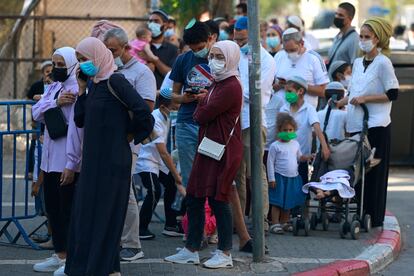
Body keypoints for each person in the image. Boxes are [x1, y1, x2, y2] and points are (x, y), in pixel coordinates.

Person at [64, 37, 153, 276]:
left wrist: (131, 134)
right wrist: (82, 90)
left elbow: (144, 112)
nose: (83, 64)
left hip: (114, 161)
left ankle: (102, 267)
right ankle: (101, 266)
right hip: (93, 160)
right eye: (80, 60)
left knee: (106, 214)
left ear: (98, 56)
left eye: (85, 59)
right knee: (87, 212)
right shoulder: (94, 84)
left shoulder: (116, 80)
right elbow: (81, 119)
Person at [165, 40, 242, 269]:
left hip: (223, 150)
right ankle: (191, 248)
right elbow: (206, 109)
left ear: (230, 59)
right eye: (212, 56)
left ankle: (225, 252)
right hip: (208, 146)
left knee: (219, 199)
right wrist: (204, 100)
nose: (213, 61)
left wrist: (201, 104)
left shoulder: (230, 85)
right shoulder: (217, 83)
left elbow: (201, 116)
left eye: (220, 57)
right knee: (196, 195)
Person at [103, 27, 157, 261]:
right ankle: (112, 238)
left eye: (112, 50)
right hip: (106, 139)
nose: (108, 54)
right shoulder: (106, 69)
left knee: (125, 191)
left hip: (126, 141)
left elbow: (146, 108)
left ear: (126, 48)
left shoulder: (141, 73)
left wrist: (128, 134)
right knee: (109, 190)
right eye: (105, 50)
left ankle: (132, 244)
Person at [343, 18, 399, 227]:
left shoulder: (383, 63)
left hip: (376, 124)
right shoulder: (358, 63)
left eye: (368, 37)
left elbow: (392, 93)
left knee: (373, 171)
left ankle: (373, 216)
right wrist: (343, 100)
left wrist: (366, 99)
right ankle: (359, 210)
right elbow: (354, 91)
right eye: (362, 36)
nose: (363, 41)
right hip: (357, 124)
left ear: (378, 39)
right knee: (357, 171)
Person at [32, 47, 82, 275]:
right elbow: (36, 112)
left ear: (72, 63)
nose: (57, 69)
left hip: (67, 161)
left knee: (67, 210)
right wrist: (55, 102)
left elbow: (76, 129)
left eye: (62, 64)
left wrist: (72, 163)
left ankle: (71, 258)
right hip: (49, 160)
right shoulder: (54, 88)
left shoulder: (78, 90)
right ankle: (59, 254)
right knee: (53, 208)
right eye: (55, 64)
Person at [233, 16, 276, 225]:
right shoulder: (236, 55)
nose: (239, 44)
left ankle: (260, 221)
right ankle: (238, 220)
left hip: (253, 122)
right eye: (236, 39)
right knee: (236, 174)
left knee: (255, 174)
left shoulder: (266, 59)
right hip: (234, 121)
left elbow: (255, 93)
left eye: (242, 40)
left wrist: (232, 88)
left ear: (253, 35)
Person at [170, 21, 214, 190]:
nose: (197, 52)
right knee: (190, 177)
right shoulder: (182, 60)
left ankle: (210, 215)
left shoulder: (220, 59)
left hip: (211, 125)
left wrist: (208, 97)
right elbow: (174, 96)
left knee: (211, 175)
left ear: (210, 39)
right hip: (186, 123)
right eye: (193, 49)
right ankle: (194, 214)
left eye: (200, 47)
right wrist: (184, 99)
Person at [136, 89, 184, 239]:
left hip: (157, 161)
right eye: (175, 107)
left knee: (169, 184)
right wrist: (178, 177)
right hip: (146, 160)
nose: (177, 109)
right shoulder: (155, 119)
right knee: (155, 190)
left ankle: (170, 224)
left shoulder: (166, 117)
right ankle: (141, 228)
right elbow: (163, 152)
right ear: (163, 107)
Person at [279, 76, 330, 185]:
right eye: (286, 91)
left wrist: (324, 147)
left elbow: (317, 128)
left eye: (289, 91)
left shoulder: (309, 109)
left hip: (302, 157)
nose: (286, 94)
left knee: (302, 185)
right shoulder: (284, 109)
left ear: (300, 91)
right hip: (285, 157)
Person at [267, 113, 308, 234]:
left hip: (292, 177)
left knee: (288, 202)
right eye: (285, 130)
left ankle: (285, 222)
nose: (288, 132)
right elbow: (270, 163)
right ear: (279, 130)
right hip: (279, 177)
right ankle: (275, 223)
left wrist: (305, 157)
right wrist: (271, 179)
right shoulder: (275, 146)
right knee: (277, 202)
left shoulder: (295, 144)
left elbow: (299, 157)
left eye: (290, 130)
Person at [274, 28, 329, 109]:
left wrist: (298, 85)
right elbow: (271, 87)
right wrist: (281, 85)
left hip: (305, 114)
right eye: (286, 50)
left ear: (302, 44)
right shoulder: (279, 56)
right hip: (281, 113)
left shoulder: (313, 58)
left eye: (293, 50)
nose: (289, 54)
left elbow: (324, 91)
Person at [144, 9, 179, 89]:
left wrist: (154, 60)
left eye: (156, 21)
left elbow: (171, 75)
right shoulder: (141, 47)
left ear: (165, 25)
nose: (152, 24)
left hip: (164, 95)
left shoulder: (173, 49)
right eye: (150, 21)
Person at [327, 2, 359, 68]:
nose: (336, 17)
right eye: (336, 14)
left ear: (350, 19)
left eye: (340, 15)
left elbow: (355, 66)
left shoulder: (354, 39)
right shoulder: (337, 36)